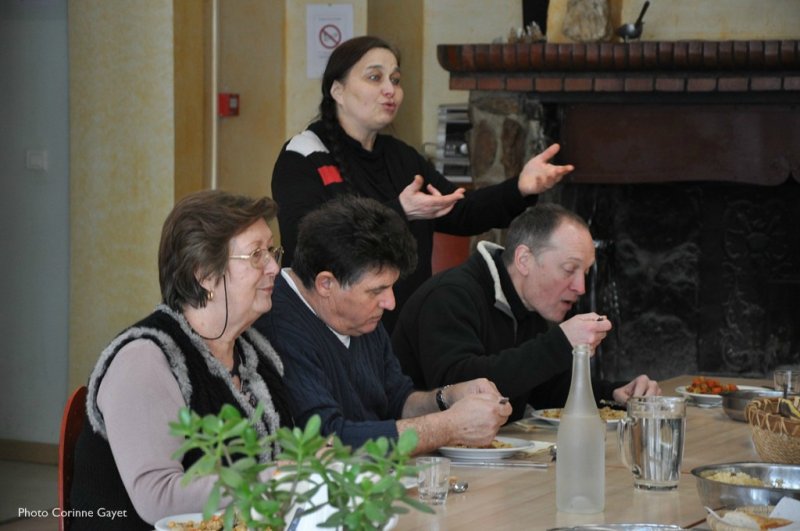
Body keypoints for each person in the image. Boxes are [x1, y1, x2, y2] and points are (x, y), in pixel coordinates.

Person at [271, 35, 575, 332]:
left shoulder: (402, 157)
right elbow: (305, 246)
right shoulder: (305, 153)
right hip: (333, 330)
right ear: (337, 90)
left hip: (405, 326)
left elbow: (462, 211)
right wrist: (400, 211)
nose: (390, 89)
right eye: (375, 78)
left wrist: (520, 187)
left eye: (395, 80)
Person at [70, 190, 293, 530]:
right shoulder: (144, 360)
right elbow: (159, 499)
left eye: (272, 251)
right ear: (203, 274)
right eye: (256, 255)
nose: (274, 267)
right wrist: (278, 478)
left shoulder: (256, 353)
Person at [254, 196, 511, 453]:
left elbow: (398, 401)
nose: (390, 303)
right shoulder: (278, 327)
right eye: (376, 291)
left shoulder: (359, 317)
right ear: (326, 284)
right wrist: (450, 426)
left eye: (391, 287)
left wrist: (449, 397)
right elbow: (327, 439)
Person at [391, 203, 661, 422]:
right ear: (524, 260)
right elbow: (462, 387)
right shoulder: (449, 295)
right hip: (419, 458)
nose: (580, 287)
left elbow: (548, 390)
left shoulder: (527, 303)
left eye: (586, 272)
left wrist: (615, 394)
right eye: (569, 269)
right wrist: (560, 343)